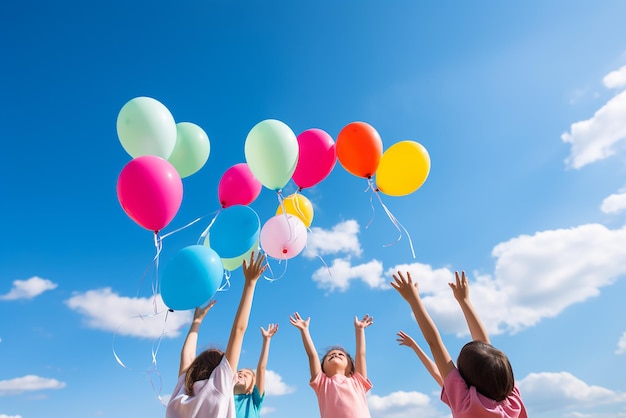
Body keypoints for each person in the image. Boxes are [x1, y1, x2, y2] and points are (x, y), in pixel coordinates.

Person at [391, 270, 527, 418]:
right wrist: (464, 301)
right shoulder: (513, 402)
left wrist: (413, 300)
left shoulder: (468, 406)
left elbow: (435, 344)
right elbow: (487, 353)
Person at [166, 251, 267, 418]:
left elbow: (187, 355)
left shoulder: (181, 391)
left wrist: (196, 324)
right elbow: (239, 330)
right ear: (217, 369)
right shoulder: (219, 383)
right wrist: (250, 283)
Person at [289, 311, 374, 418]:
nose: (335, 354)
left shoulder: (357, 381)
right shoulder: (322, 383)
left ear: (351, 368)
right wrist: (304, 330)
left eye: (340, 354)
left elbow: (361, 355)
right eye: (331, 355)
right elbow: (312, 355)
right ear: (322, 368)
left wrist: (360, 330)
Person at [234, 323, 279, 418]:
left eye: (247, 374)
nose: (241, 373)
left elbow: (261, 369)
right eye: (239, 372)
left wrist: (266, 340)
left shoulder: (253, 401)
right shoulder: (223, 399)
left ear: (251, 389)